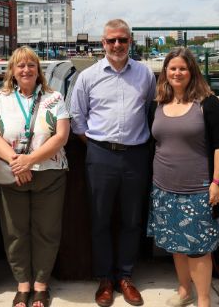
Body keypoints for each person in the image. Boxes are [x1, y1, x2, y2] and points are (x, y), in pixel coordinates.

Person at [70, 19, 156, 307]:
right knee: (100, 219)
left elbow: (150, 110)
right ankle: (105, 279)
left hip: (135, 155)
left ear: (130, 42)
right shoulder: (88, 77)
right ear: (102, 44)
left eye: (122, 40)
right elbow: (77, 120)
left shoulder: (145, 75)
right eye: (111, 41)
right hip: (100, 154)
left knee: (133, 219)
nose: (117, 45)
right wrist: (98, 147)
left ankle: (126, 277)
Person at [0, 46, 70, 307]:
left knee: (47, 231)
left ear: (38, 70)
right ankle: (23, 284)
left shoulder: (54, 97)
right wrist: (17, 163)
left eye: (31, 65)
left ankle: (41, 284)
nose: (25, 70)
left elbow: (61, 136)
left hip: (50, 175)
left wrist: (29, 161)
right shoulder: (0, 97)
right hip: (11, 175)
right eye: (20, 65)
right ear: (12, 70)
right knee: (15, 232)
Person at [146, 48, 219, 307]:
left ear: (192, 71)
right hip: (163, 188)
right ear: (165, 73)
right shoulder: (157, 104)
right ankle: (184, 291)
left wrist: (217, 183)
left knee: (198, 249)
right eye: (172, 68)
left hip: (198, 190)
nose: (177, 73)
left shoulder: (208, 103)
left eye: (182, 68)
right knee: (175, 243)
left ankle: (204, 300)